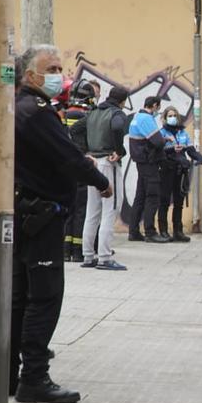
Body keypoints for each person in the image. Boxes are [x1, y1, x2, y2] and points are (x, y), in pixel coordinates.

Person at [12, 44, 113, 403]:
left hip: (28, 213)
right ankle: (34, 378)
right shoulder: (36, 112)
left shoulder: (23, 108)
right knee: (44, 298)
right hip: (41, 217)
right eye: (51, 68)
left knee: (21, 297)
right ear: (31, 76)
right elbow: (67, 157)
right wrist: (100, 180)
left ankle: (11, 375)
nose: (59, 74)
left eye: (59, 67)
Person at [80, 85, 130, 271]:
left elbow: (77, 129)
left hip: (92, 162)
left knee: (92, 210)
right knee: (111, 209)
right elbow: (117, 127)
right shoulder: (117, 113)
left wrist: (85, 150)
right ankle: (104, 257)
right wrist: (119, 150)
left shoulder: (93, 112)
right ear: (123, 100)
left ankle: (87, 255)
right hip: (109, 162)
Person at [156, 105, 202, 241]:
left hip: (180, 171)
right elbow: (158, 152)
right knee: (164, 201)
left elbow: (191, 150)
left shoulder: (182, 133)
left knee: (179, 201)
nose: (172, 118)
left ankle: (178, 232)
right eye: (169, 116)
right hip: (166, 170)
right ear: (165, 118)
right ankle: (164, 231)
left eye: (174, 116)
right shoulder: (161, 133)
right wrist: (172, 149)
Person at [61, 81, 95, 262]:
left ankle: (65, 250)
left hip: (66, 167)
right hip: (81, 166)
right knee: (81, 209)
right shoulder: (85, 116)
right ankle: (77, 250)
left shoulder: (64, 114)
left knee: (70, 209)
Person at [128, 95, 169, 243]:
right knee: (153, 196)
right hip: (148, 161)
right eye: (158, 107)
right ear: (155, 105)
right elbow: (157, 141)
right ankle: (150, 232)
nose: (158, 110)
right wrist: (165, 140)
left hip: (141, 161)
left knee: (140, 196)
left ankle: (133, 231)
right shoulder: (146, 119)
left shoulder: (136, 117)